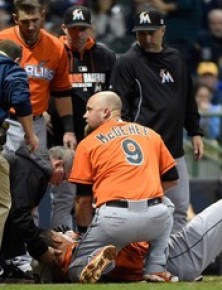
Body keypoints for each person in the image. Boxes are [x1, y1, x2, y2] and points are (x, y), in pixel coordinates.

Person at [67, 91, 179, 283]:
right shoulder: (151, 134)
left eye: (89, 109)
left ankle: (100, 260)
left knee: (74, 269)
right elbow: (173, 178)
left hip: (114, 218)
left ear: (105, 112)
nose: (85, 115)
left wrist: (85, 233)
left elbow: (83, 200)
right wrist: (145, 194)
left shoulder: (88, 143)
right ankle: (156, 268)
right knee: (167, 205)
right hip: (155, 217)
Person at [109, 8, 204, 234]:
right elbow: (118, 108)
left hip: (173, 147)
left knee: (180, 208)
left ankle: (174, 262)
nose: (147, 38)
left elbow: (187, 98)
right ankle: (145, 263)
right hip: (143, 150)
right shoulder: (127, 62)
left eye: (151, 33)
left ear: (163, 31)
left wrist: (195, 132)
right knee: (145, 208)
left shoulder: (176, 58)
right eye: (141, 33)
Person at [36, 198, 222, 283]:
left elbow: (42, 271)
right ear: (55, 239)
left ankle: (95, 259)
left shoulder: (61, 271)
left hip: (157, 261)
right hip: (177, 255)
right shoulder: (82, 245)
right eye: (58, 234)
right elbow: (167, 206)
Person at [50, 5, 116, 230]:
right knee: (64, 195)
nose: (78, 34)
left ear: (91, 29)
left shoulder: (105, 55)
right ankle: (65, 247)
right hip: (61, 134)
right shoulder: (54, 52)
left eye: (83, 29)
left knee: (94, 194)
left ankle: (90, 243)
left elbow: (114, 96)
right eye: (73, 29)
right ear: (63, 28)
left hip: (97, 138)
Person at [0, 0, 76, 152]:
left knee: (37, 172)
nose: (31, 27)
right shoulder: (2, 41)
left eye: (35, 20)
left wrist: (69, 130)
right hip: (7, 120)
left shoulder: (55, 46)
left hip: (37, 122)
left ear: (42, 15)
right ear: (15, 19)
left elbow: (61, 92)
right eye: (25, 21)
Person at [0, 145, 74, 281]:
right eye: (64, 178)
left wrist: (41, 241)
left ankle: (6, 266)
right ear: (58, 164)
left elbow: (16, 217)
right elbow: (18, 215)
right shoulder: (32, 171)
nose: (59, 184)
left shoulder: (32, 168)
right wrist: (42, 250)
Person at [0, 38, 38, 251]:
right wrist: (30, 134)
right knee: (2, 202)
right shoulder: (11, 68)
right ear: (16, 59)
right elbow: (21, 99)